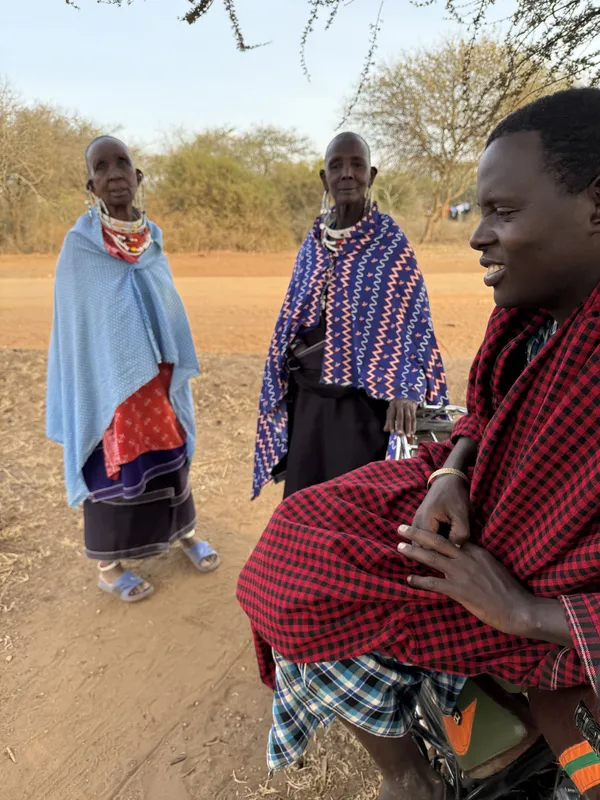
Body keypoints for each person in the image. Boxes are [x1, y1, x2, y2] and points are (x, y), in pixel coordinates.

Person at [238, 88, 600, 799]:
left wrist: (526, 613)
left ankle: (447, 754)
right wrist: (451, 474)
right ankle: (414, 772)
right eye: (481, 210)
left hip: (541, 589)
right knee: (297, 535)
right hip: (463, 499)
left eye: (504, 212)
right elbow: (484, 417)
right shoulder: (532, 317)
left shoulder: (394, 246)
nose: (477, 235)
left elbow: (403, 326)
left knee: (314, 588)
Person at [46, 135, 220, 602]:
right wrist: (109, 372)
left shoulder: (152, 241)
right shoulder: (80, 249)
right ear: (91, 185)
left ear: (138, 176)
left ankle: (184, 533)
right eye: (101, 167)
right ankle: (108, 566)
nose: (114, 173)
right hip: (110, 388)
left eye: (122, 163)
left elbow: (166, 310)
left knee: (172, 457)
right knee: (113, 471)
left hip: (158, 383)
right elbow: (79, 330)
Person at [253, 132, 447, 500]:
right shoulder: (314, 240)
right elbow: (292, 315)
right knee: (307, 499)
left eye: (357, 165)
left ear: (371, 175)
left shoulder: (390, 242)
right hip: (310, 398)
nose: (346, 173)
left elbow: (414, 324)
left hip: (365, 404)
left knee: (355, 502)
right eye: (336, 166)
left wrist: (405, 388)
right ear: (323, 178)